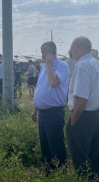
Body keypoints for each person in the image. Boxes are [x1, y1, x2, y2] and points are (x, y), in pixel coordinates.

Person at [33, 41, 69, 172]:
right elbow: (40, 87)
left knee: (56, 145)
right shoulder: (44, 68)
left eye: (45, 53)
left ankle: (60, 172)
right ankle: (49, 172)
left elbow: (53, 83)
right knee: (45, 145)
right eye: (41, 53)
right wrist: (35, 108)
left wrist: (49, 65)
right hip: (42, 113)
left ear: (53, 53)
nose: (42, 56)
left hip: (54, 113)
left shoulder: (62, 66)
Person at [66, 36, 99, 177]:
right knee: (94, 152)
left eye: (72, 47)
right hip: (96, 114)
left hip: (83, 115)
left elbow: (81, 98)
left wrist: (73, 120)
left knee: (80, 155)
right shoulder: (96, 63)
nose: (71, 50)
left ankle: (85, 178)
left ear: (81, 48)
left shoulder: (82, 65)